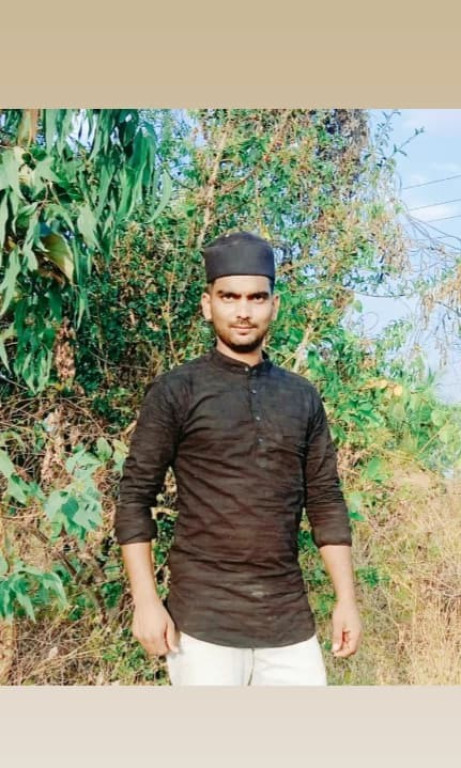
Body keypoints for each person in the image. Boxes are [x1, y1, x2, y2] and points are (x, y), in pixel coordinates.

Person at [115, 231, 362, 686]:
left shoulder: (301, 396)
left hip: (288, 622)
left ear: (274, 305)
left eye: (256, 297)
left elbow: (326, 501)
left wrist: (346, 600)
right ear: (207, 304)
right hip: (202, 624)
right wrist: (146, 602)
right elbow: (134, 499)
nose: (243, 311)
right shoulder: (177, 391)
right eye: (229, 297)